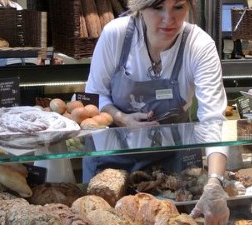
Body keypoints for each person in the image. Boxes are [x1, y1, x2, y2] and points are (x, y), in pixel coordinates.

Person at [84, 0, 229, 223]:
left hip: (171, 170)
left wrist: (215, 182)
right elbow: (95, 95)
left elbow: (213, 120)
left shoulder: (199, 45)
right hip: (111, 165)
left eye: (178, 7)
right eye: (158, 7)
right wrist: (121, 118)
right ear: (139, 8)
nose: (169, 19)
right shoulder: (117, 34)